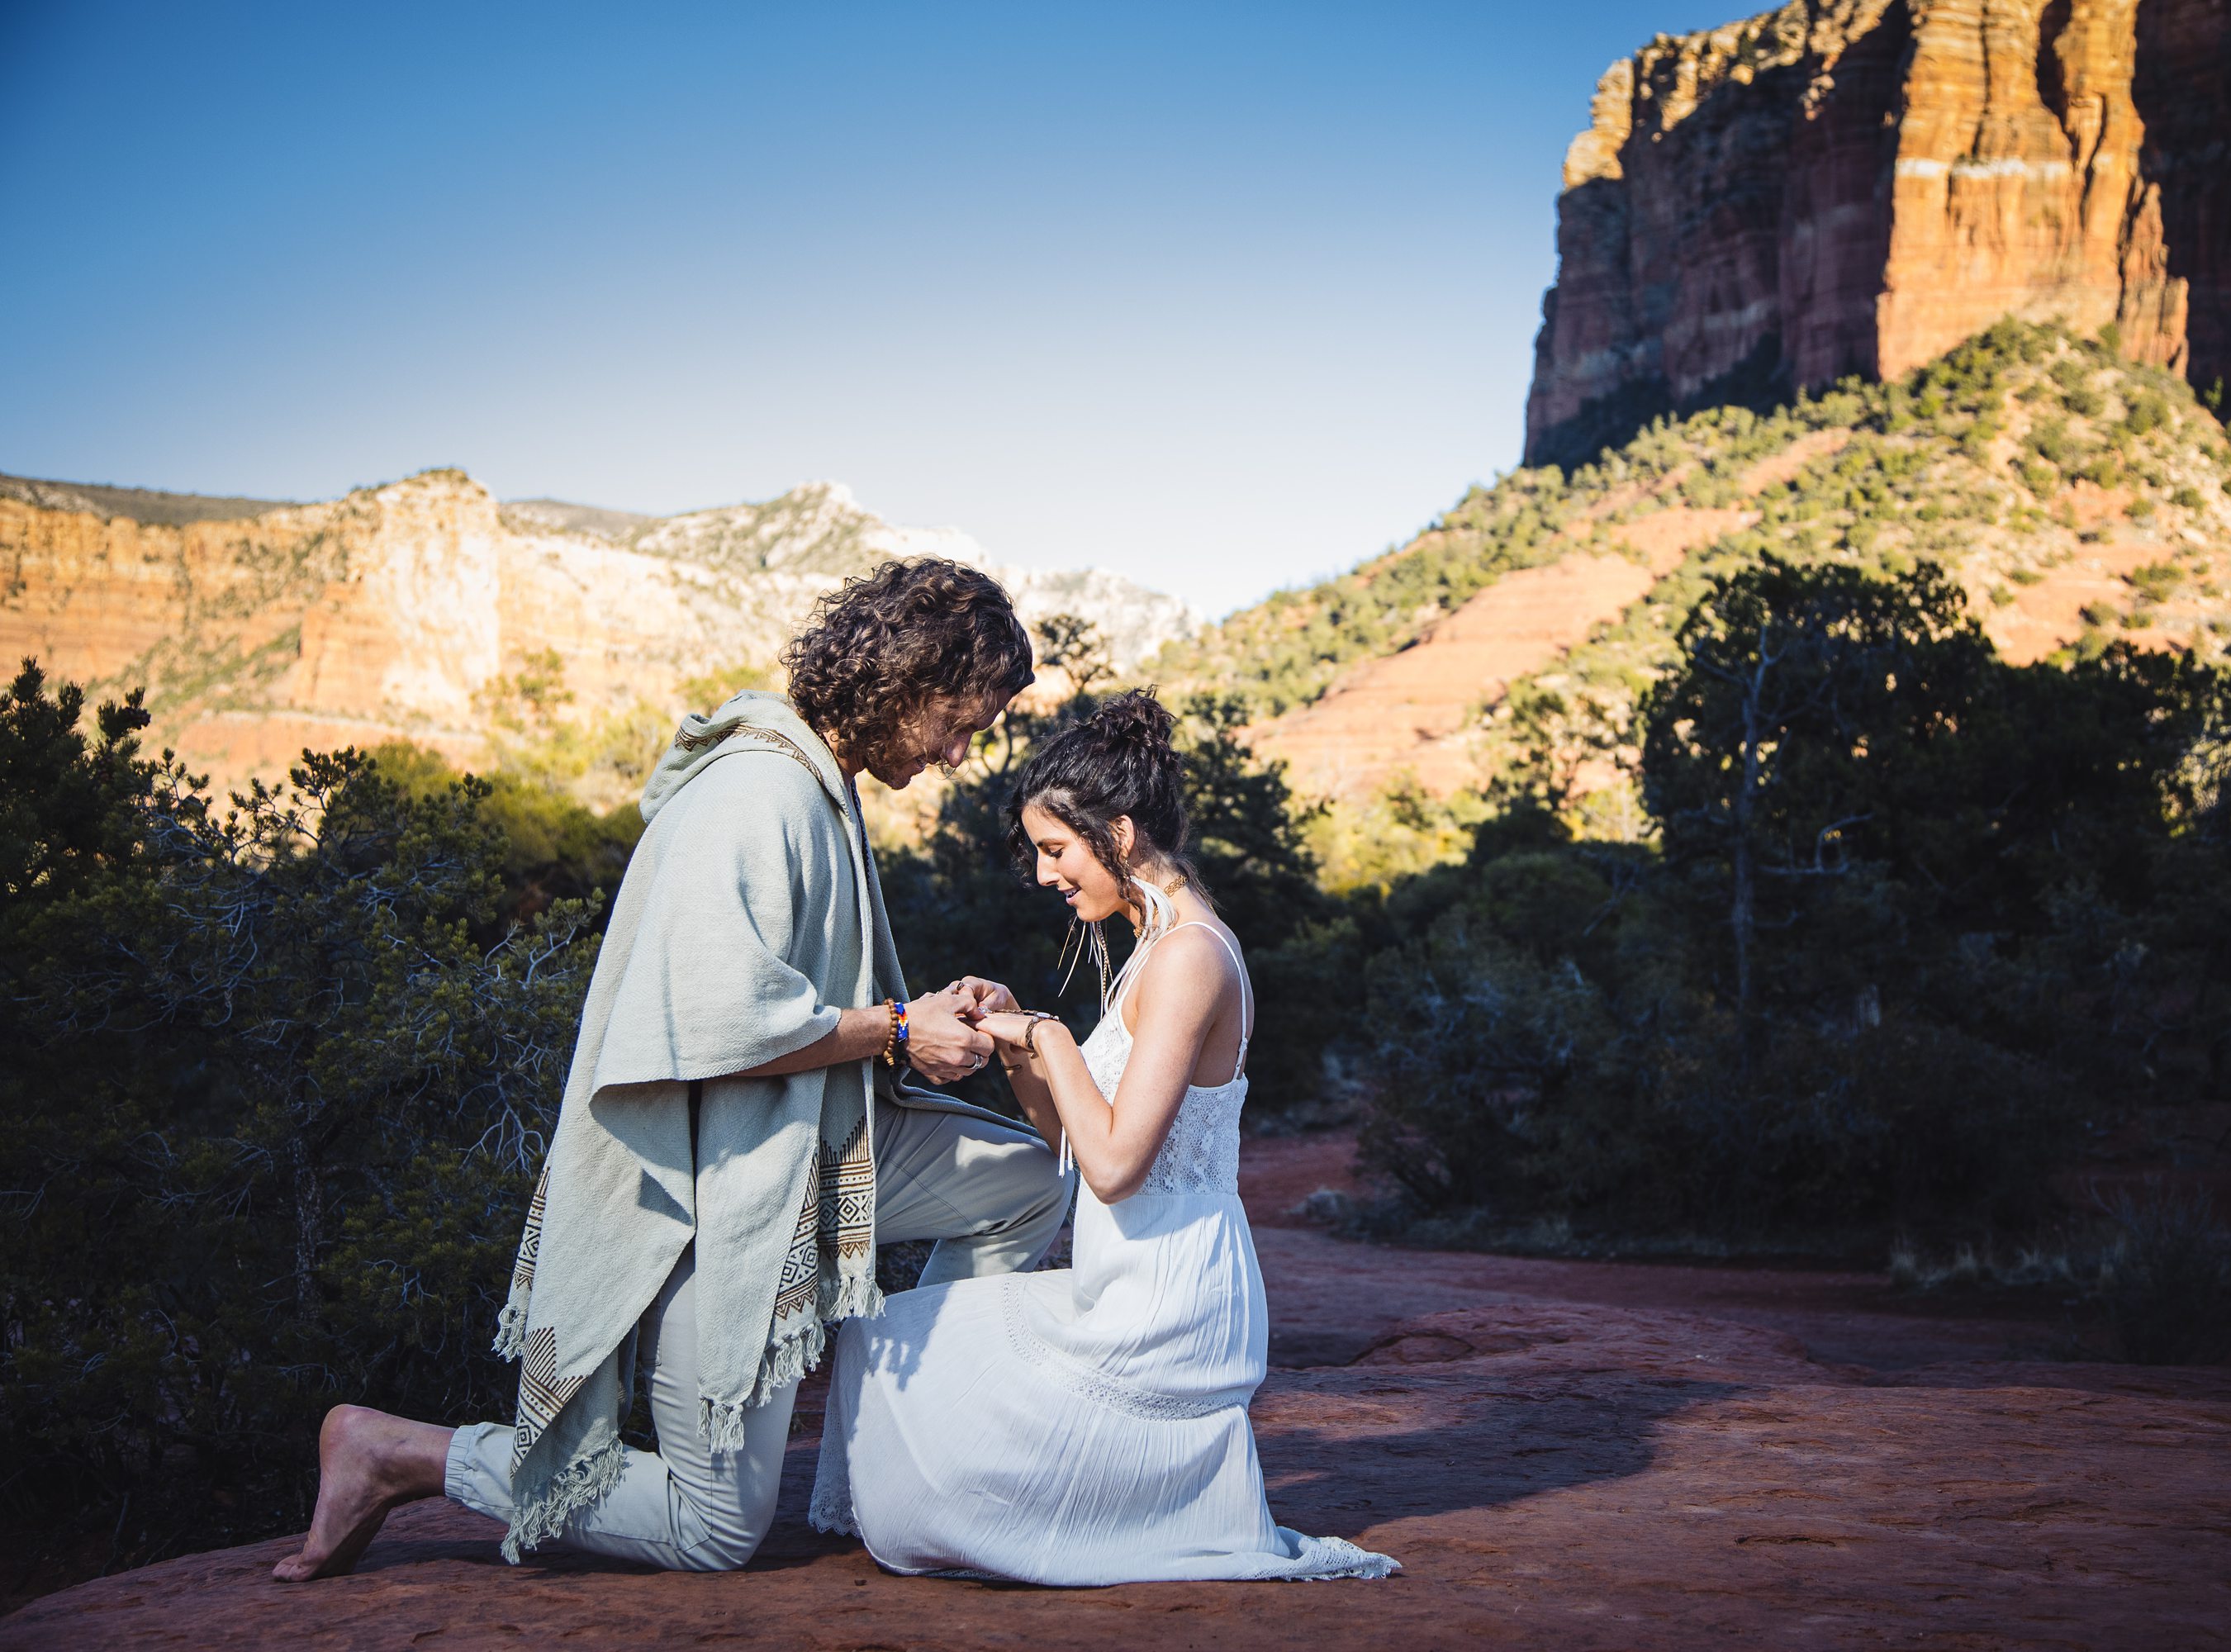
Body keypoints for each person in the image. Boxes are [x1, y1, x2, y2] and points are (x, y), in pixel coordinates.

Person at [273, 559, 1070, 1580]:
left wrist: (911, 1022)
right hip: (719, 1185)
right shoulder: (757, 793)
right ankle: (404, 1453)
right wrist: (900, 1029)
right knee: (713, 1530)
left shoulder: (819, 785)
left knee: (1024, 1183)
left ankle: (903, 1452)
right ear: (903, 683)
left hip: (818, 1144)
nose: (962, 754)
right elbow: (708, 1020)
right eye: (958, 721)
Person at [812, 690, 1398, 1584]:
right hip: (1118, 1281)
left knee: (919, 1380)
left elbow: (1118, 1167)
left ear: (1120, 836)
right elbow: (1072, 1143)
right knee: (888, 1331)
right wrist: (1017, 1041)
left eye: (1057, 849)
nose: (1046, 874)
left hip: (1168, 1301)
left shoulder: (1192, 956)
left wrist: (1048, 1036)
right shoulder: (1152, 949)